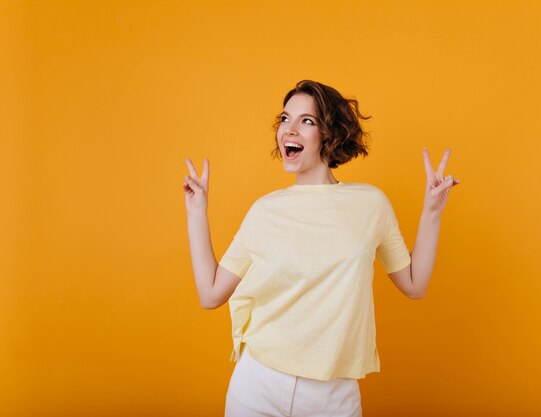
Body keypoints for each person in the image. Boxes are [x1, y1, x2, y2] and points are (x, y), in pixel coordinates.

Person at [182, 80, 460, 417]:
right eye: (285, 119)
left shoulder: (370, 204)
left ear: (330, 135)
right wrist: (196, 212)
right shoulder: (265, 210)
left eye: (307, 121)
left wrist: (432, 212)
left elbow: (414, 285)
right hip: (258, 384)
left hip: (332, 395)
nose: (290, 130)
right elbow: (210, 294)